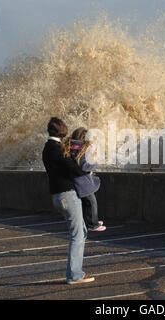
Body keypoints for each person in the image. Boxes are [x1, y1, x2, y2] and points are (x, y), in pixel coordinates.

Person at [42, 117, 95, 285]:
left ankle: (75, 272)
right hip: (68, 196)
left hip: (57, 196)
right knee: (77, 235)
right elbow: (74, 168)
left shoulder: (46, 148)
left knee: (81, 231)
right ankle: (75, 274)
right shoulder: (56, 149)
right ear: (63, 131)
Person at [63, 127, 106, 231]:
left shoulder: (70, 147)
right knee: (91, 202)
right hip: (82, 183)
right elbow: (84, 166)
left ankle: (89, 221)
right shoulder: (82, 149)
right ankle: (93, 224)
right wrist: (94, 164)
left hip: (73, 181)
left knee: (84, 204)